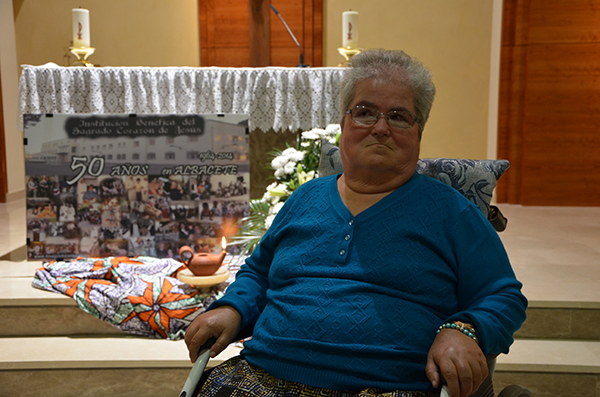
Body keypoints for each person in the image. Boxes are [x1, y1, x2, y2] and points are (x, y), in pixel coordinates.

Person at [185, 49, 528, 397]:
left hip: (388, 389)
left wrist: (466, 328)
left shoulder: (452, 213)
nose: (380, 128)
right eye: (365, 113)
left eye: (399, 116)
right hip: (260, 380)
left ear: (418, 132)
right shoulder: (305, 198)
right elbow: (259, 273)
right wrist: (232, 307)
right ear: (344, 123)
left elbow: (503, 296)